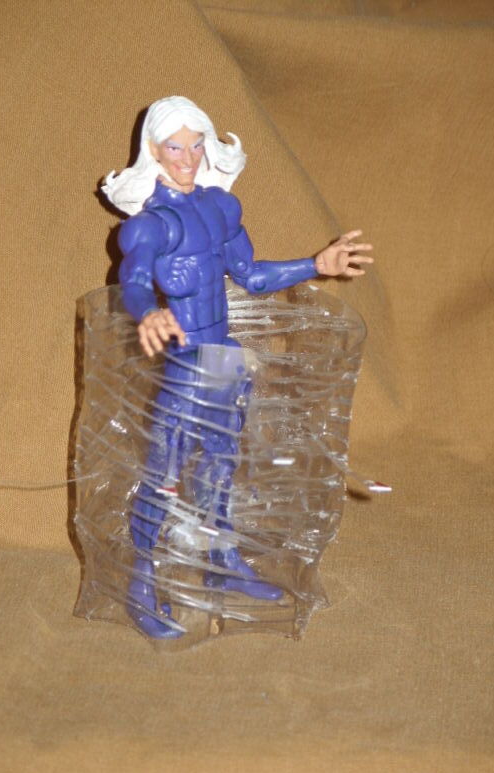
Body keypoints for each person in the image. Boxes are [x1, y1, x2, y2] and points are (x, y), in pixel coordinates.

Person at [103, 96, 372, 638]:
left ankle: (222, 561)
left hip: (223, 356)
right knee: (163, 473)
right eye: (174, 147)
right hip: (184, 362)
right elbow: (132, 283)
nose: (187, 158)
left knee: (221, 464)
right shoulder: (149, 227)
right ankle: (141, 584)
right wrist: (148, 312)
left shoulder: (220, 208)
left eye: (195, 145)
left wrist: (315, 265)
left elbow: (251, 276)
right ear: (154, 151)